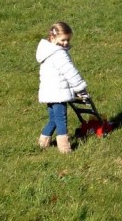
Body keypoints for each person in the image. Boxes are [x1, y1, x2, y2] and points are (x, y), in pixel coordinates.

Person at [36, 21, 89, 154]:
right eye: (63, 40)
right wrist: (81, 89)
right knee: (61, 119)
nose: (66, 43)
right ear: (52, 38)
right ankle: (64, 148)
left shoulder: (47, 51)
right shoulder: (59, 54)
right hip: (58, 93)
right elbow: (71, 72)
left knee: (53, 118)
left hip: (49, 92)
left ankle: (43, 142)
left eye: (68, 40)